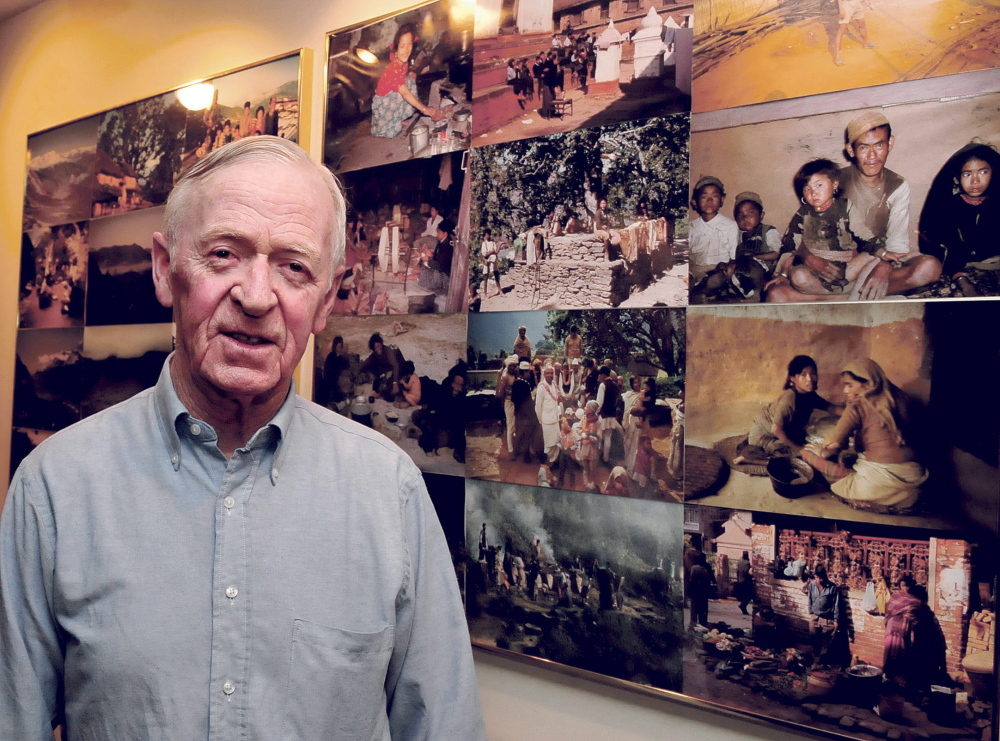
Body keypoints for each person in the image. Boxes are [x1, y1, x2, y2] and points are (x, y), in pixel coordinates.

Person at [0, 136, 485, 738]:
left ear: (328, 299)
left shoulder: (390, 494)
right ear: (163, 269)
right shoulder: (54, 490)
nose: (257, 297)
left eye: (294, 267)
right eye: (224, 254)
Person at [768, 112, 941, 302]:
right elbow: (800, 235)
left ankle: (839, 298)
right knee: (775, 295)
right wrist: (808, 258)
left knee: (929, 267)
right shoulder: (830, 182)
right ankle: (859, 296)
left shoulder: (897, 185)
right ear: (851, 150)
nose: (872, 155)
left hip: (872, 259)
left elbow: (896, 244)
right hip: (827, 267)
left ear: (890, 143)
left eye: (879, 145)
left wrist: (883, 267)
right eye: (864, 147)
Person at [802, 358, 928, 514]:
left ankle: (875, 496)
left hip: (881, 481)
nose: (846, 391)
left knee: (808, 454)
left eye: (850, 385)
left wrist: (818, 452)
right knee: (853, 456)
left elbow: (829, 448)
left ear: (868, 383)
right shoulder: (900, 397)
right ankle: (904, 498)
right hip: (915, 478)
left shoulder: (858, 405)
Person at [769, 158, 882, 301]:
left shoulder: (846, 207)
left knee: (871, 257)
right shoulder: (803, 213)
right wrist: (783, 274)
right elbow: (790, 244)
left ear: (835, 183)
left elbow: (862, 233)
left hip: (845, 268)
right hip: (813, 271)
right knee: (798, 277)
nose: (813, 193)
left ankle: (843, 291)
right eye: (807, 188)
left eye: (819, 185)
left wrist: (881, 250)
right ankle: (839, 295)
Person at [919, 142, 1000, 297]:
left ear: (993, 173)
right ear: (956, 179)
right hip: (958, 267)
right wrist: (962, 281)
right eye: (967, 174)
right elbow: (950, 249)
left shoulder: (996, 202)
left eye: (983, 172)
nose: (975, 180)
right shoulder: (948, 207)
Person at [737, 355, 839, 464]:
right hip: (763, 436)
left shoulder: (810, 395)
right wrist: (798, 448)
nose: (809, 379)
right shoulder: (790, 398)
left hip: (782, 432)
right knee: (798, 457)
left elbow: (831, 407)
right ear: (793, 378)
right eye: (803, 375)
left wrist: (852, 413)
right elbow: (775, 429)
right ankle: (751, 459)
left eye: (812, 374)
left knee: (812, 443)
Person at [370, 24, 443, 138]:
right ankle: (387, 123)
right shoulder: (393, 67)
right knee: (405, 92)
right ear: (396, 49)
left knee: (410, 78)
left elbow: (404, 79)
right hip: (383, 104)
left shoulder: (403, 62)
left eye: (409, 44)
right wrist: (424, 109)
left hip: (391, 97)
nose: (406, 50)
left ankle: (397, 118)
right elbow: (404, 93)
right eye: (402, 46)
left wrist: (411, 75)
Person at [689, 175, 739, 284]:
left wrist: (730, 266)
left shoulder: (730, 225)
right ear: (695, 202)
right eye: (704, 197)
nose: (709, 200)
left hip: (717, 268)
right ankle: (699, 290)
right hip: (695, 267)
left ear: (722, 199)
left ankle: (701, 291)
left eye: (715, 196)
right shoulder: (692, 227)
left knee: (716, 280)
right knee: (688, 280)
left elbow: (733, 256)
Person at [803, 565, 841, 664]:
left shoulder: (832, 587)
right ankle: (815, 660)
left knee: (826, 642)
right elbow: (810, 598)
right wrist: (811, 612)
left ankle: (823, 662)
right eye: (816, 577)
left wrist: (836, 620)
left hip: (827, 618)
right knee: (814, 639)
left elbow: (836, 604)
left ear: (825, 576)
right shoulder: (812, 585)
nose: (818, 580)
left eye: (820, 578)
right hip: (815, 617)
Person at [833, 0, 876, 67]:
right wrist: (841, 9)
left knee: (862, 25)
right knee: (842, 31)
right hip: (847, 6)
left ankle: (866, 43)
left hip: (857, 4)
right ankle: (837, 57)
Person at [480, 228, 502, 296]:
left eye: (488, 234)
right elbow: (484, 254)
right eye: (486, 234)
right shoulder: (484, 244)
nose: (487, 236)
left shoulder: (492, 243)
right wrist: (491, 252)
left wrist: (500, 245)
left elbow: (496, 252)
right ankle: (485, 292)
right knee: (486, 276)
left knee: (496, 274)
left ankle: (500, 290)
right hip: (487, 261)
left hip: (493, 260)